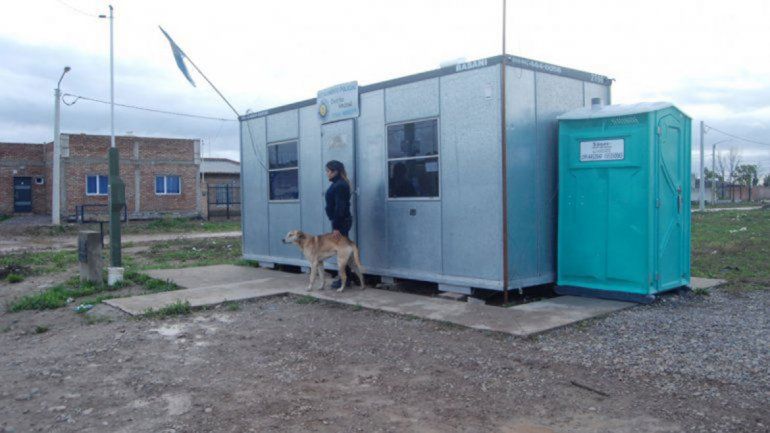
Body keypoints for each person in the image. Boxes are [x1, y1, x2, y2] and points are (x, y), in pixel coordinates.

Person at [324, 160, 353, 289]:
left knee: (341, 251)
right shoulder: (338, 183)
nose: (327, 174)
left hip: (340, 223)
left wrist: (336, 227)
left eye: (329, 171)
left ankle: (344, 280)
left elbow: (340, 208)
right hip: (340, 221)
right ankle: (347, 277)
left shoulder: (340, 185)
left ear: (336, 171)